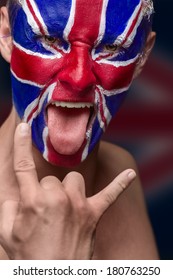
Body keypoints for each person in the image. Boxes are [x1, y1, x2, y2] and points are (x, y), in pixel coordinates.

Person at [0, 0, 158, 260]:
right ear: (6, 34)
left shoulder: (120, 170)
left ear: (143, 55)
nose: (79, 78)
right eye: (49, 38)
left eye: (112, 46)